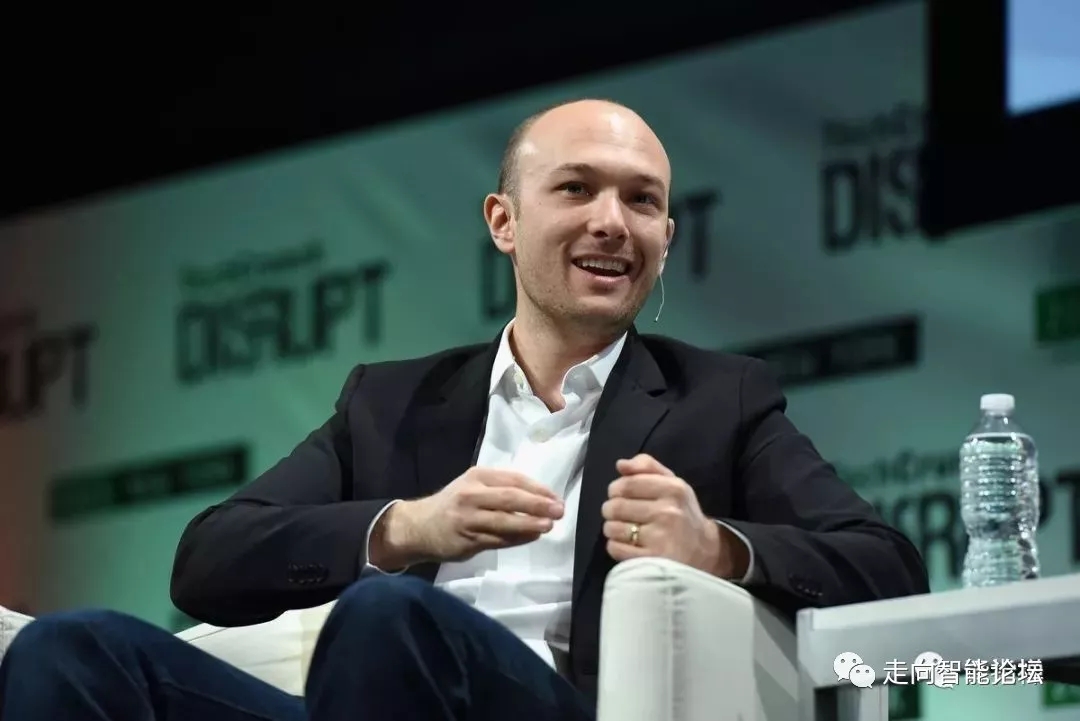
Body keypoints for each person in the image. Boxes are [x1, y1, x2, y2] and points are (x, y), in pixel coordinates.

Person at [0, 98, 929, 721]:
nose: (613, 221)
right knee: (70, 648)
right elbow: (206, 561)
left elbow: (887, 569)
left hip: (550, 704)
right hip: (370, 697)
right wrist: (404, 526)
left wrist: (716, 546)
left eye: (642, 201)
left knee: (389, 618)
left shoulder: (719, 399)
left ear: (666, 237)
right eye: (577, 188)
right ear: (503, 222)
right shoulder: (390, 402)